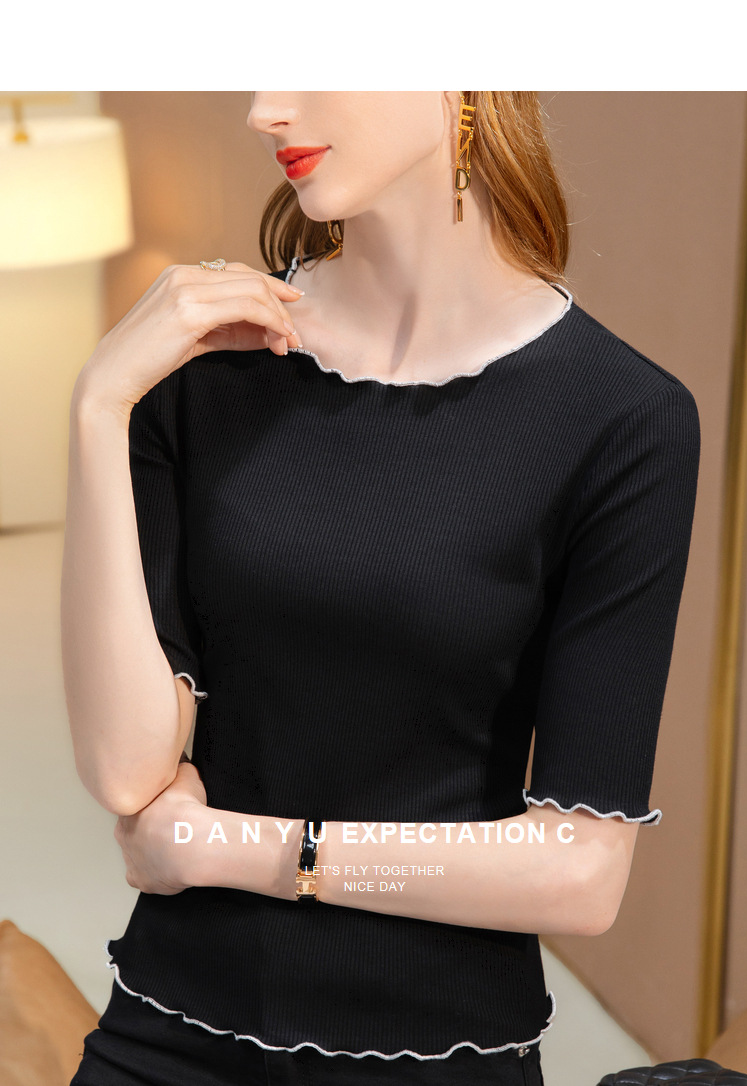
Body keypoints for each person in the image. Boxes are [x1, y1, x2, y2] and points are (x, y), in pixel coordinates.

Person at [62, 92, 701, 1086]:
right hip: (168, 1028)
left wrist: (241, 851)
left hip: (441, 1050)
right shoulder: (203, 362)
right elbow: (127, 774)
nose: (266, 109)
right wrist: (100, 407)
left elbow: (580, 875)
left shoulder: (623, 419)